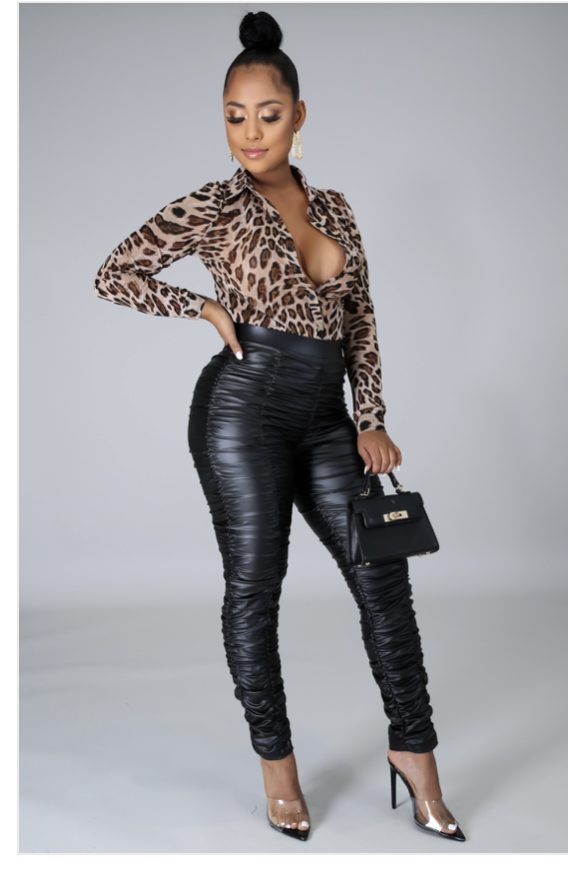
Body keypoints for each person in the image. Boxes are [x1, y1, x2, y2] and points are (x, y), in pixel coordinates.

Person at [93, 9, 465, 844]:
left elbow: (360, 318)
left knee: (383, 579)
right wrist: (201, 306)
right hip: (242, 411)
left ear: (299, 115)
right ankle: (278, 767)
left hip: (326, 418)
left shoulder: (335, 208)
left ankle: (415, 752)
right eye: (234, 116)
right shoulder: (215, 205)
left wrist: (370, 419)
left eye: (267, 115)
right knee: (257, 588)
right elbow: (116, 272)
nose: (250, 133)